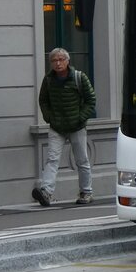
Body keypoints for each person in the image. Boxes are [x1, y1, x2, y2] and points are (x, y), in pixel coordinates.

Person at [32, 47, 96, 206]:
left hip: (77, 126)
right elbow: (43, 100)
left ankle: (86, 192)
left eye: (61, 60)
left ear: (68, 61)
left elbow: (91, 100)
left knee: (82, 160)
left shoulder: (79, 77)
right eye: (54, 60)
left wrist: (80, 118)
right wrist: (48, 117)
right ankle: (46, 192)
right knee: (52, 159)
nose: (58, 63)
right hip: (57, 127)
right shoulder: (48, 80)